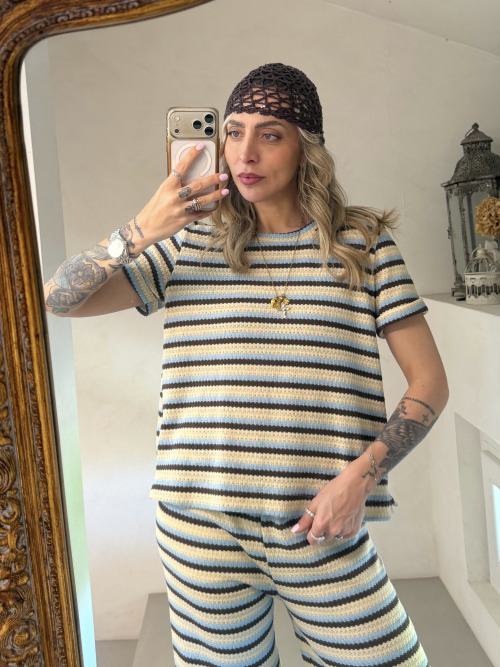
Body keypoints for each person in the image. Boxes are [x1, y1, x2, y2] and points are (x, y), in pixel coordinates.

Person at [44, 63, 448, 667]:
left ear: (307, 149)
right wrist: (141, 229)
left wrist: (359, 481)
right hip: (199, 528)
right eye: (233, 132)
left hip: (317, 523)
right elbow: (59, 299)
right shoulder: (188, 244)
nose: (245, 152)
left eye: (271, 134)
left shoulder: (362, 245)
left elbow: (430, 383)